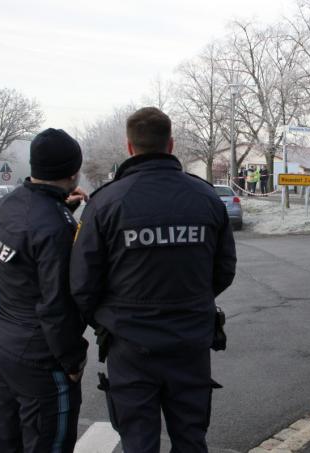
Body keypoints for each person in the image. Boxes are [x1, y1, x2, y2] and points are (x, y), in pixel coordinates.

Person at [70, 107, 236, 453]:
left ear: (129, 147)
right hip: (190, 340)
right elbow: (224, 270)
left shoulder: (105, 203)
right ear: (171, 144)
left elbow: (83, 282)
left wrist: (108, 319)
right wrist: (190, 301)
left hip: (129, 345)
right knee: (191, 440)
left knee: (139, 443)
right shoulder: (206, 197)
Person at [0, 128, 89, 453]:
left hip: (2, 344)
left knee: (6, 441)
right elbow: (56, 304)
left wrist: (59, 208)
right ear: (73, 172)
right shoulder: (54, 227)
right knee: (48, 443)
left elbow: (27, 249)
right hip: (39, 359)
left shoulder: (8, 205)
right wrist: (73, 360)